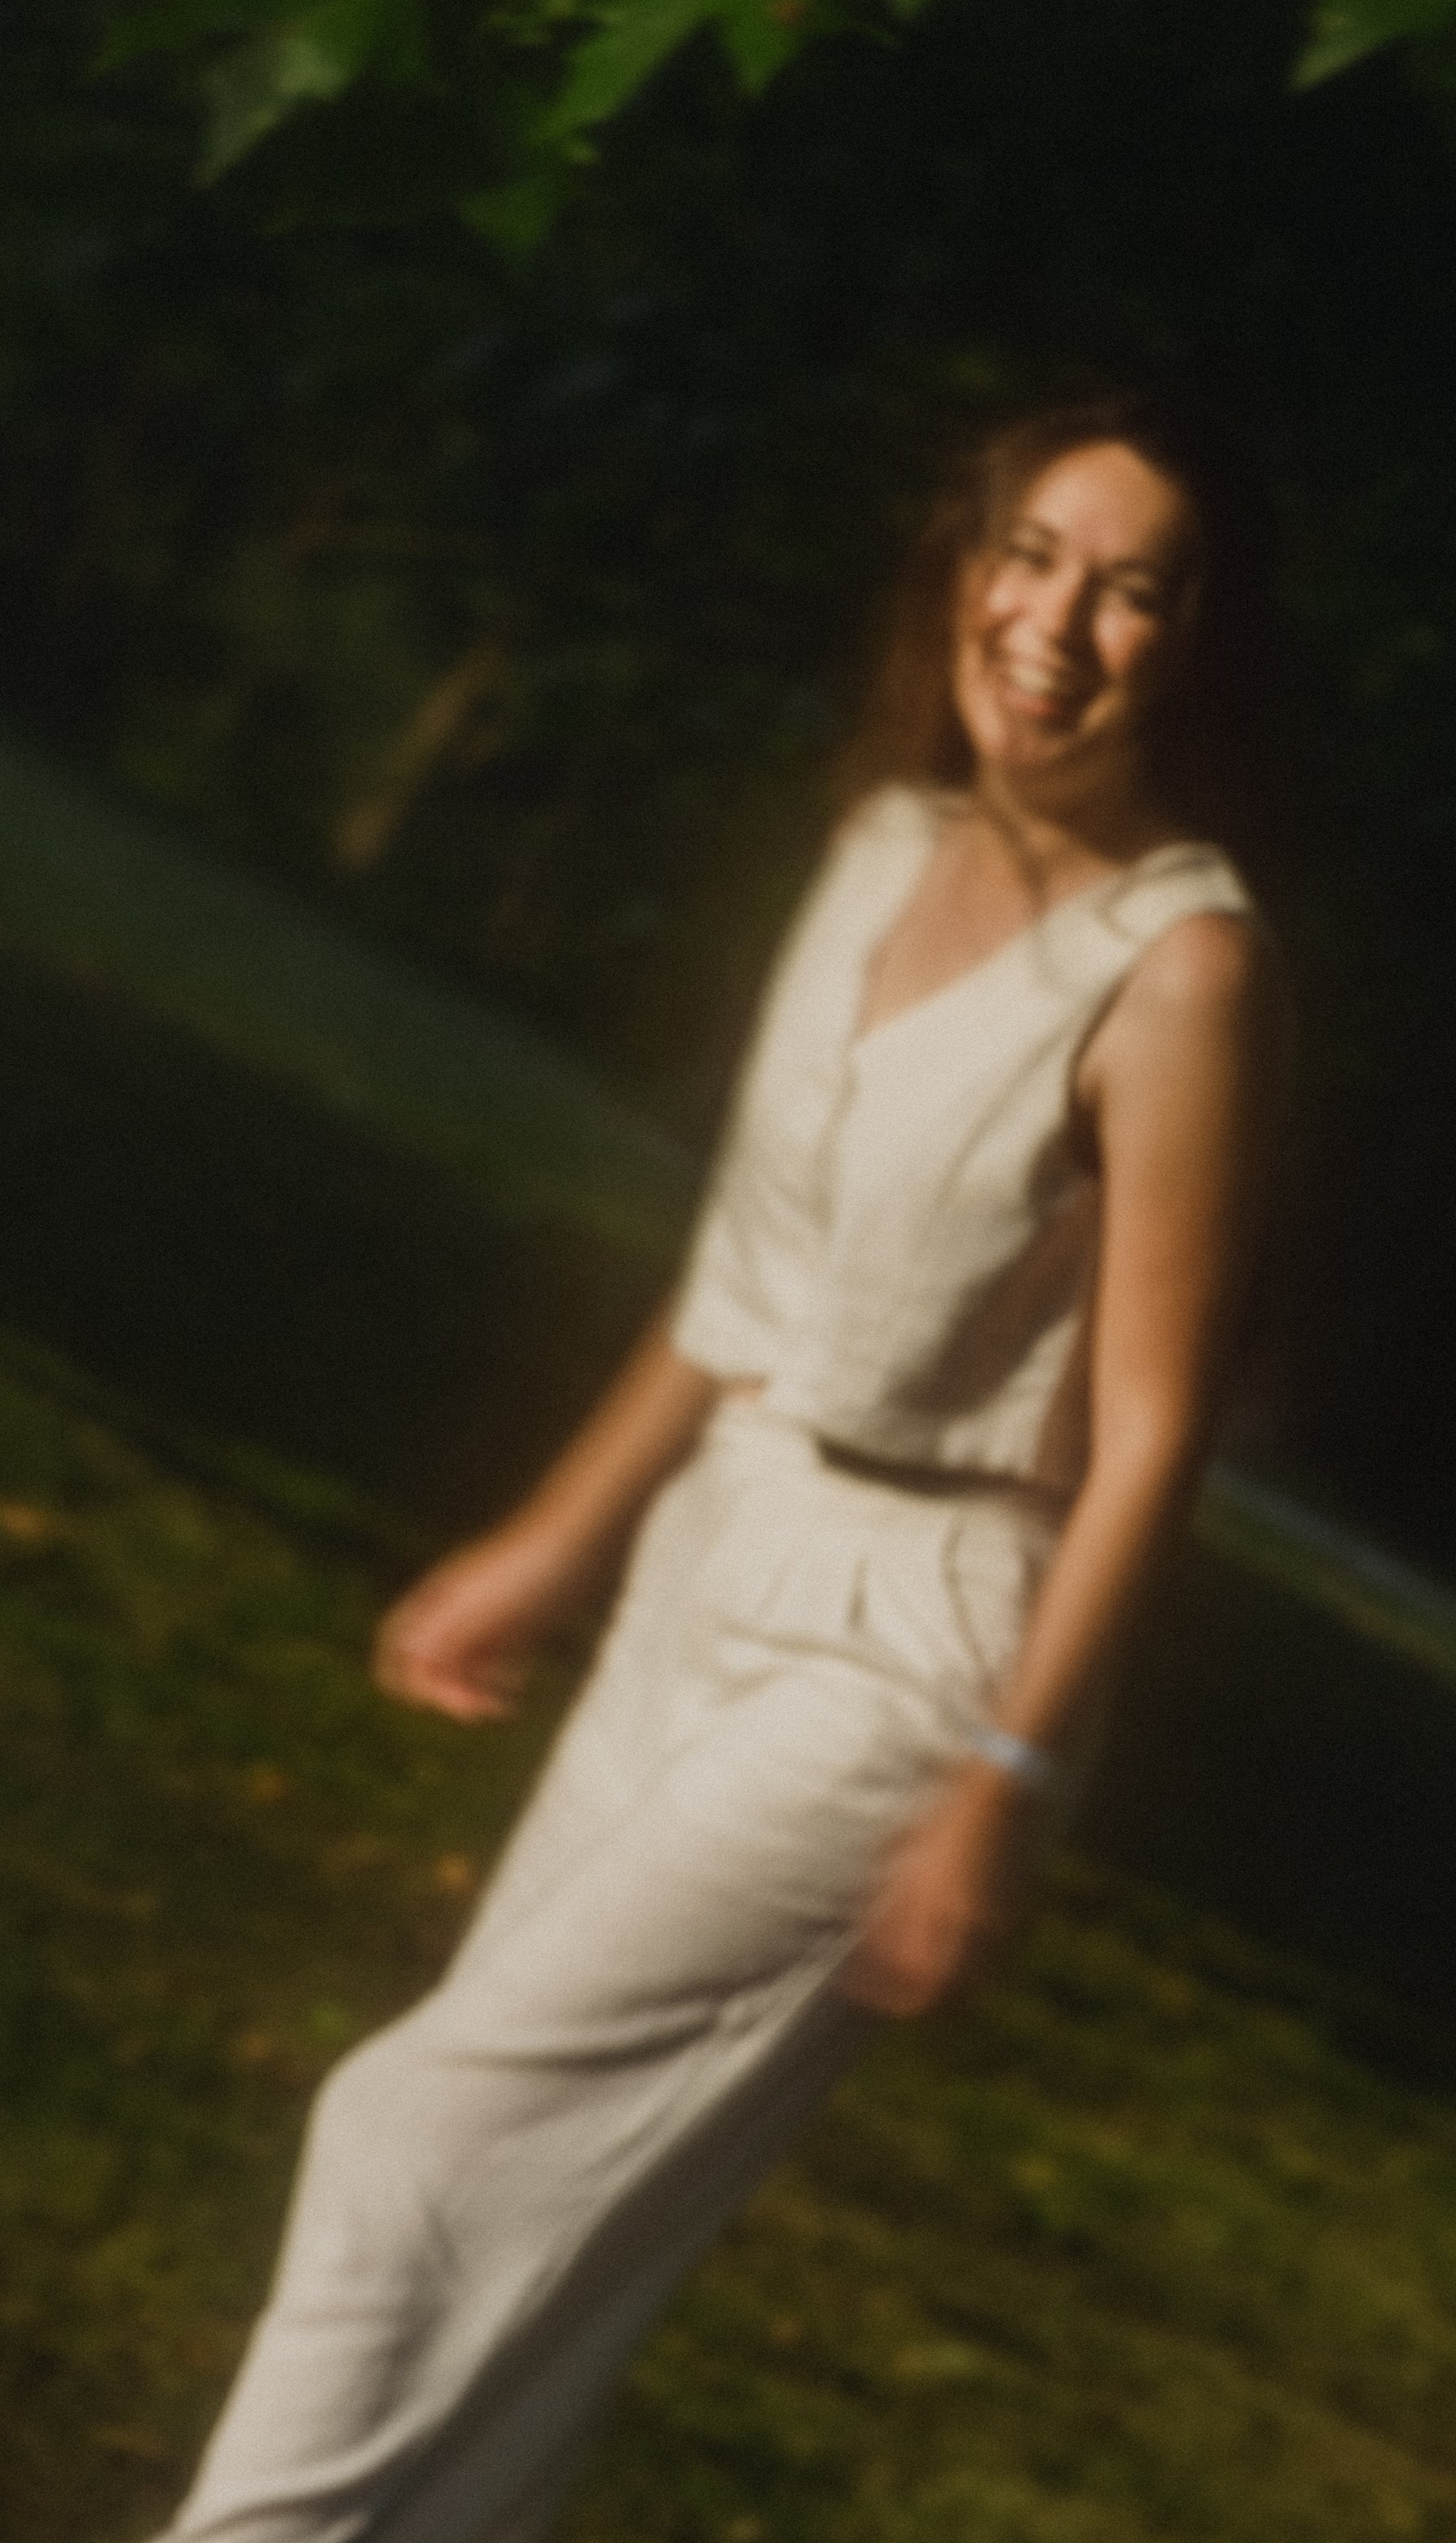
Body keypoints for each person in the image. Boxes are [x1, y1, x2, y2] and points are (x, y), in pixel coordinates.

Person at [152, 390, 1290, 2543]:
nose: (1058, 623)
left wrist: (1003, 1789)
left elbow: (1150, 1439)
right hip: (717, 1545)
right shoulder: (883, 843)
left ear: (1199, 645)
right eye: (1030, 555)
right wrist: (548, 1541)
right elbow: (739, 1272)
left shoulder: (1183, 969)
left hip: (923, 1651)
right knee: (542, 2262)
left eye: (1134, 590)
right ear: (961, 569)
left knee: (417, 2133)